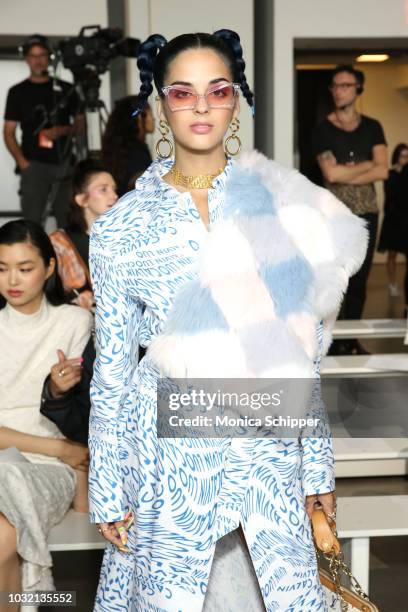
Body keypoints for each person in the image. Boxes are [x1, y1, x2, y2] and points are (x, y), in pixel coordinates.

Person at [88, 31, 368, 611]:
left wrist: (316, 468)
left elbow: (302, 351)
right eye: (182, 92)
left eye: (217, 90)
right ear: (161, 102)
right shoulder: (121, 225)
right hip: (169, 450)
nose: (200, 106)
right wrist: (106, 486)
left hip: (265, 438)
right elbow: (111, 369)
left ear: (235, 98)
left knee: (275, 593)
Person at [0, 219, 92, 601]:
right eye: (2, 268)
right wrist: (61, 449)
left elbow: (85, 420)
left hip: (46, 473)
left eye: (25, 268)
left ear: (50, 268)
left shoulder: (74, 322)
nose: (12, 281)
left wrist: (56, 390)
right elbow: (69, 449)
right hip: (40, 456)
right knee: (4, 534)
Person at [312, 64, 388, 355]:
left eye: (345, 85)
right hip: (335, 215)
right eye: (335, 86)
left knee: (360, 281)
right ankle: (330, 341)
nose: (338, 91)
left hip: (368, 212)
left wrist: (351, 170)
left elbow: (383, 169)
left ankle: (351, 340)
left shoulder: (373, 127)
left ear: (358, 90)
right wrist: (367, 165)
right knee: (335, 279)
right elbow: (331, 175)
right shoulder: (323, 130)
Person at [3, 34, 82, 227]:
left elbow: (81, 126)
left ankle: (66, 257)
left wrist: (63, 130)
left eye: (42, 55)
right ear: (26, 59)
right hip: (34, 166)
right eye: (33, 56)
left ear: (50, 57)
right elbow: (8, 132)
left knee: (68, 223)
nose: (38, 60)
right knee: (32, 224)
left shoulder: (66, 89)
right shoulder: (17, 92)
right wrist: (23, 163)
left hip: (64, 165)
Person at [49, 159, 118, 310]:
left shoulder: (123, 239)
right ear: (82, 199)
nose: (114, 196)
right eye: (104, 189)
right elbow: (50, 295)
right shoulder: (59, 243)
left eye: (114, 189)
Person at [102, 95, 155, 196]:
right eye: (150, 113)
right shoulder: (137, 153)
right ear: (139, 116)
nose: (154, 118)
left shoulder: (120, 149)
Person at [377, 143, 408, 304]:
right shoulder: (389, 174)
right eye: (403, 155)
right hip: (394, 219)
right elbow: (389, 196)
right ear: (397, 157)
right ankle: (392, 283)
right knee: (392, 254)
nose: (406, 159)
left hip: (407, 218)